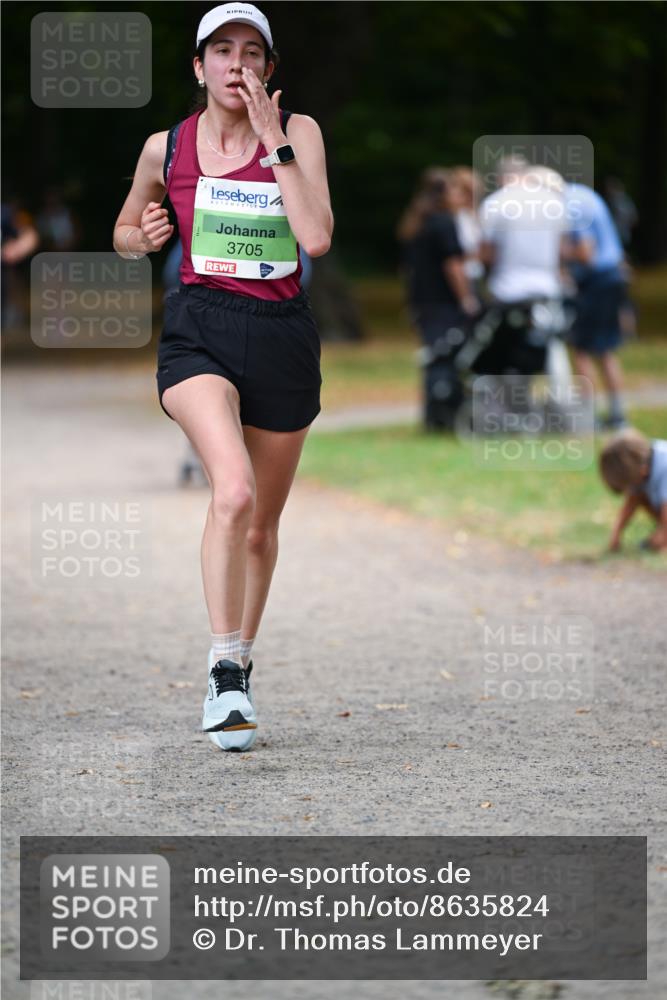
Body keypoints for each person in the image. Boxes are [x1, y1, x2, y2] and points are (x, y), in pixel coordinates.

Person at [112, 2, 333, 751]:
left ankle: (240, 658)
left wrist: (274, 142)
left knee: (262, 527)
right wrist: (134, 239)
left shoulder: (297, 134)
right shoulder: (164, 146)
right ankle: (222, 673)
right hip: (197, 333)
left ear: (268, 70)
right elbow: (122, 229)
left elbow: (315, 237)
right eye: (221, 51)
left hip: (281, 337)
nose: (236, 64)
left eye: (251, 53)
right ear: (199, 66)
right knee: (231, 490)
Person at [397, 167, 477, 430]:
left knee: (432, 356)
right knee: (445, 355)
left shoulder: (418, 221)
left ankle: (433, 414)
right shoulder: (444, 223)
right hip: (443, 301)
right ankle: (443, 415)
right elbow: (452, 264)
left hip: (423, 300)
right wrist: (466, 297)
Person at [599, 429, 667, 553]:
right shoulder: (643, 459)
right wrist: (616, 533)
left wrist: (662, 536)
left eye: (632, 485)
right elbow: (632, 501)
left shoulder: (664, 466)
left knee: (659, 541)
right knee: (639, 495)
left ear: (643, 471)